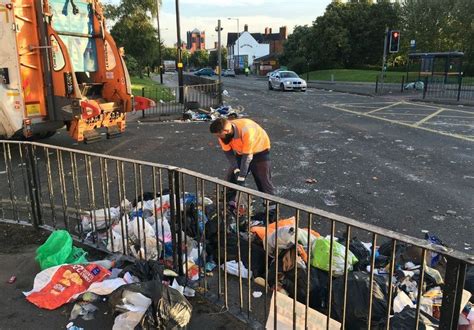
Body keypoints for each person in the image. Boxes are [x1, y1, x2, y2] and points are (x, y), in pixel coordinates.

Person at [209, 117, 275, 220]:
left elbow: (247, 156)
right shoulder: (223, 133)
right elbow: (229, 153)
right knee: (231, 179)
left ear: (226, 131)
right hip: (241, 152)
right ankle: (231, 206)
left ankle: (271, 213)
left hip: (260, 150)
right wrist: (236, 170)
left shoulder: (246, 130)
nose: (218, 137)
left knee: (263, 181)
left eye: (219, 135)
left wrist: (242, 176)